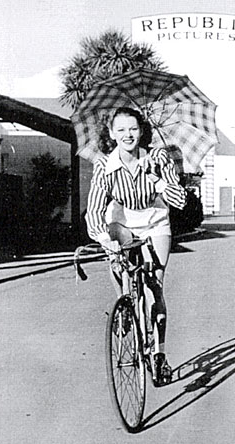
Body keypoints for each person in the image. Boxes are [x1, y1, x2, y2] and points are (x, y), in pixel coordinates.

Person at [85, 107, 186, 386]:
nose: (127, 135)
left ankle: (159, 354)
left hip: (155, 223)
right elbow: (94, 210)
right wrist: (105, 240)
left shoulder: (157, 157)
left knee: (155, 287)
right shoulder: (105, 165)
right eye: (121, 130)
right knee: (116, 255)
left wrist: (160, 181)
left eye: (133, 129)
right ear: (111, 134)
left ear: (141, 131)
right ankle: (125, 305)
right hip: (123, 223)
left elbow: (180, 201)